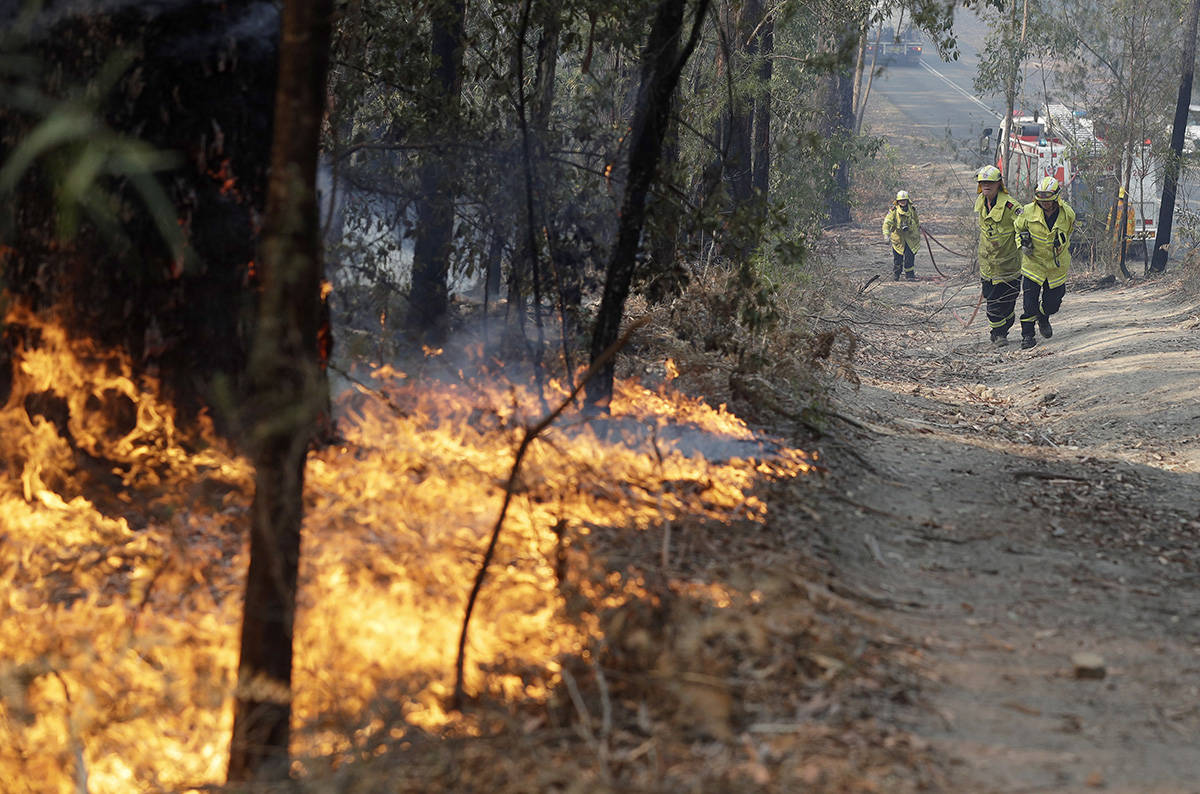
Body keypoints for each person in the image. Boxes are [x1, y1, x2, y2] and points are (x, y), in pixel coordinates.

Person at [1014, 175, 1076, 349]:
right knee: (1029, 303)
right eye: (1041, 198)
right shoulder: (1027, 212)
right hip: (1033, 264)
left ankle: (1043, 316)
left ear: (1056, 197)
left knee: (1053, 303)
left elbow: (1068, 234)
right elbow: (1017, 230)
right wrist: (1022, 244)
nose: (1045, 203)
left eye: (1048, 199)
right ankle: (1027, 336)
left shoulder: (1068, 214)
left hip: (1056, 267)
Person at [973, 165, 1022, 346]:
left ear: (998, 184)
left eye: (990, 182)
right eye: (983, 182)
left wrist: (1024, 241)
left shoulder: (1011, 206)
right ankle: (999, 334)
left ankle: (1002, 328)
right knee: (992, 302)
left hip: (1009, 265)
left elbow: (1023, 226)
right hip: (988, 265)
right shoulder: (980, 202)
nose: (986, 185)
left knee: (1008, 303)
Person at [883, 189, 920, 280]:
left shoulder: (912, 209)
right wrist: (886, 235)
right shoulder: (893, 211)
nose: (902, 202)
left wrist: (916, 230)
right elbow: (887, 223)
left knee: (909, 257)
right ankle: (896, 274)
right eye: (901, 201)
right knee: (898, 258)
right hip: (898, 239)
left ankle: (910, 275)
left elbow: (916, 221)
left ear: (907, 200)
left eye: (904, 200)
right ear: (898, 201)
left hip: (910, 238)